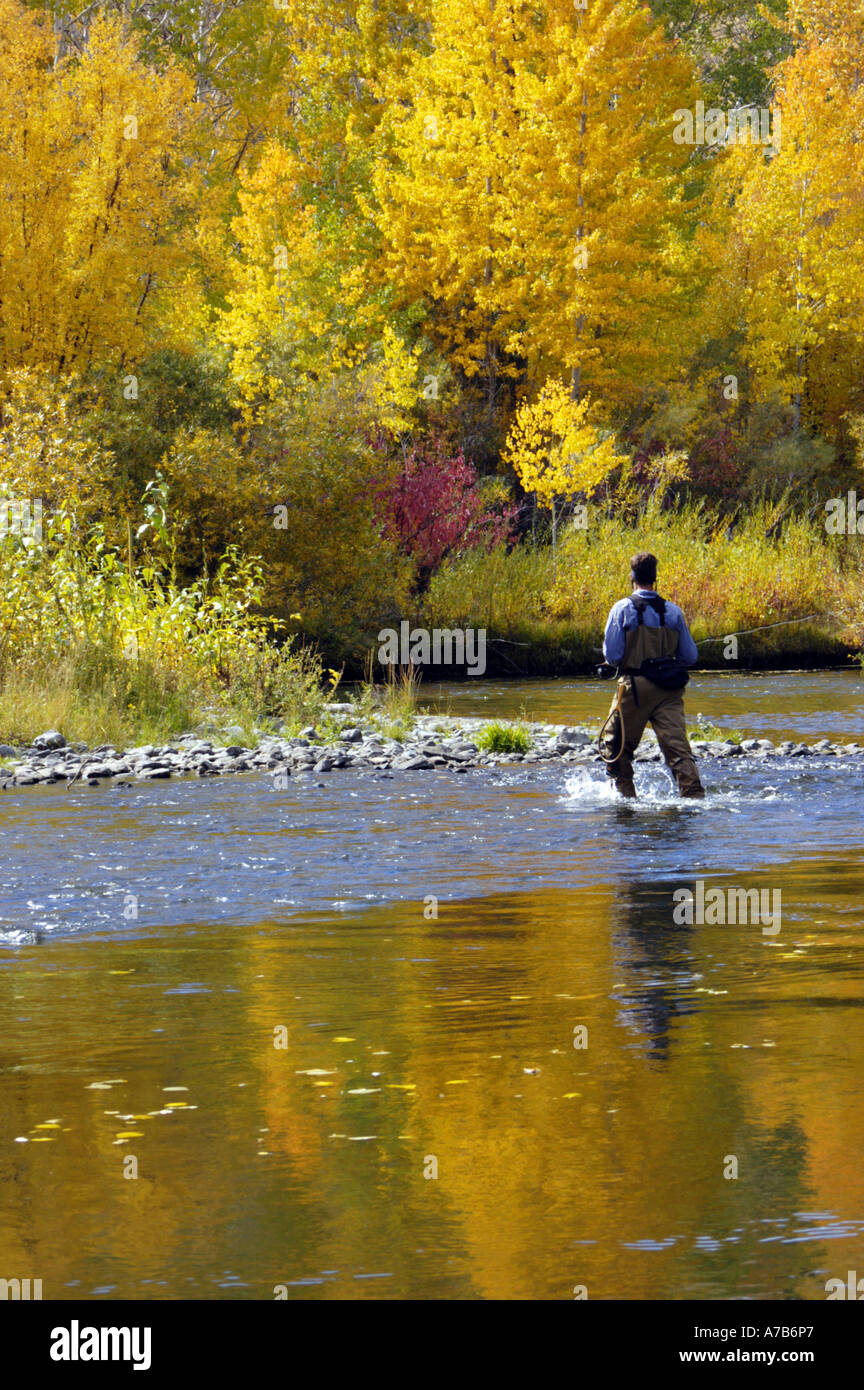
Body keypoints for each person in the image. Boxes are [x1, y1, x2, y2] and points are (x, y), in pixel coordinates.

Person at [601, 552, 704, 800]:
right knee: (678, 751)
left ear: (632, 577)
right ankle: (694, 798)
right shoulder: (674, 612)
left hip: (634, 690)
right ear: (655, 579)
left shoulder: (622, 608)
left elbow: (613, 656)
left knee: (616, 747)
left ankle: (626, 799)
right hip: (669, 691)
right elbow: (690, 657)